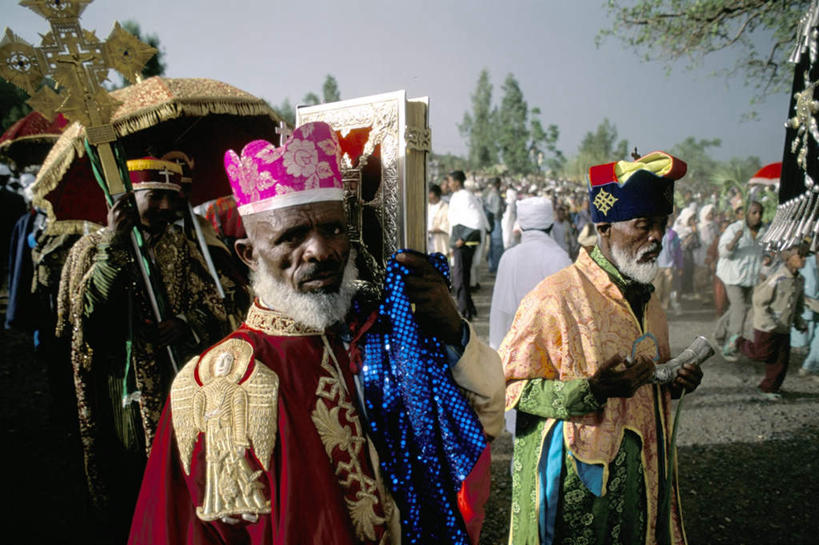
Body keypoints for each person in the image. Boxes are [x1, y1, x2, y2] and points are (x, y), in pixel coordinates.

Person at [128, 122, 505, 545]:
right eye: (292, 236)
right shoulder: (218, 384)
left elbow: (479, 422)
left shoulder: (375, 336)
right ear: (249, 255)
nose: (321, 252)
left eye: (333, 229)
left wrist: (451, 329)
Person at [501, 151, 702, 545]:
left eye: (662, 225)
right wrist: (592, 390)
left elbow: (653, 372)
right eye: (644, 225)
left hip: (644, 481)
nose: (657, 237)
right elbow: (510, 386)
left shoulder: (649, 299)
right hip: (581, 493)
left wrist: (674, 378)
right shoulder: (555, 298)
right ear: (606, 226)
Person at [55, 157, 231, 540]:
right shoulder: (90, 249)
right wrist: (114, 249)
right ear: (127, 199)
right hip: (121, 384)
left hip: (173, 378)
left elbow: (215, 308)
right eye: (155, 197)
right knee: (129, 474)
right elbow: (88, 321)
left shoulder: (182, 248)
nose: (166, 208)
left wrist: (185, 323)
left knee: (176, 472)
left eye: (172, 198)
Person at [724, 243, 808, 400]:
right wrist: (767, 321)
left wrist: (799, 321)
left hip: (784, 327)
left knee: (780, 361)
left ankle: (769, 388)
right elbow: (759, 299)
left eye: (805, 256)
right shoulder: (777, 278)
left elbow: (797, 305)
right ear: (788, 258)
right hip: (766, 325)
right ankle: (738, 342)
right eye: (800, 256)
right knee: (761, 354)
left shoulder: (799, 280)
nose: (804, 259)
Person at [489, 196, 570, 350]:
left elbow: (499, 312)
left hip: (515, 349)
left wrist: (497, 353)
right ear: (550, 225)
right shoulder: (559, 258)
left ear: (522, 226)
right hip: (551, 350)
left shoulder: (508, 257)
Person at [714, 201, 765, 358]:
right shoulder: (734, 228)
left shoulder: (765, 230)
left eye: (759, 213)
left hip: (751, 277)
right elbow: (723, 252)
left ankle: (719, 334)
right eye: (754, 212)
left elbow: (768, 251)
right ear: (746, 214)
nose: (757, 216)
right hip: (732, 276)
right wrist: (735, 239)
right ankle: (731, 345)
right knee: (740, 309)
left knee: (737, 309)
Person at [448, 170, 488, 320]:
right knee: (462, 278)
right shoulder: (457, 196)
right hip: (459, 243)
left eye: (450, 181)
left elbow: (476, 221)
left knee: (460, 279)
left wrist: (462, 239)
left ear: (457, 182)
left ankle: (464, 312)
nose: (449, 184)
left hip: (465, 244)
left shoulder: (466, 197)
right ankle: (469, 308)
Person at [485, 177, 505, 273]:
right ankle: (496, 267)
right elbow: (496, 210)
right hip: (496, 220)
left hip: (491, 220)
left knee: (493, 244)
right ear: (497, 184)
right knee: (497, 244)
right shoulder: (495, 195)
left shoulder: (489, 193)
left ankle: (492, 266)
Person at [427, 183, 450, 256]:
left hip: (440, 243)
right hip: (428, 244)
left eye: (428, 193)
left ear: (433, 194)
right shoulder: (427, 207)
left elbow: (446, 226)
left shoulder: (446, 208)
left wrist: (429, 231)